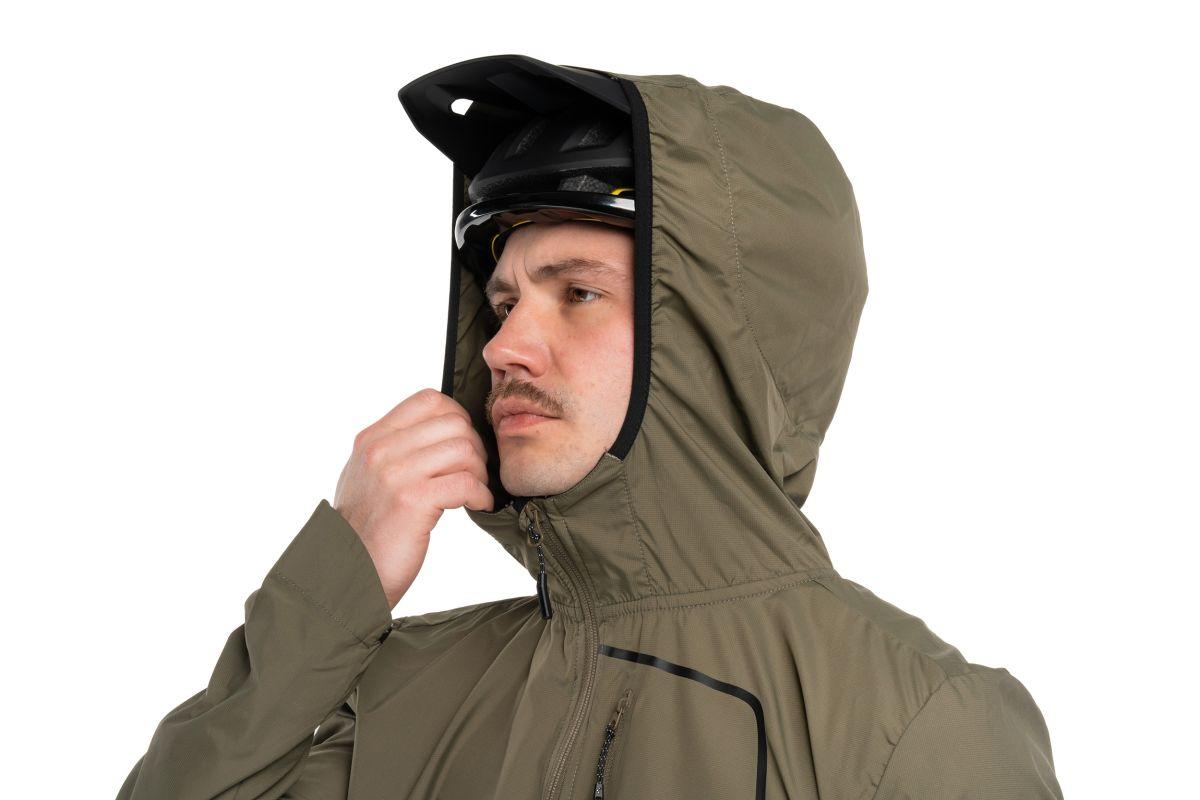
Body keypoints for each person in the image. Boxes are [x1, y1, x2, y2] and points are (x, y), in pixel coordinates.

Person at [117, 54, 1063, 799]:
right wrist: (338, 582)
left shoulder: (918, 724)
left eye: (577, 293)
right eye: (501, 302)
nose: (502, 347)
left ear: (723, 339)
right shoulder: (400, 687)